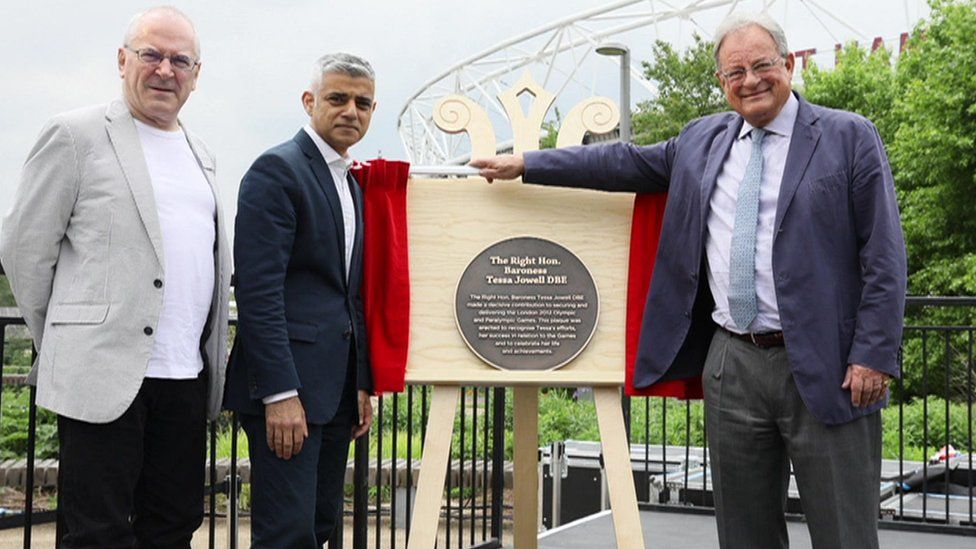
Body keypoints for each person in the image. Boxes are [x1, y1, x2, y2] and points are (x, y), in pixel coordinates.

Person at [472, 12, 906, 549]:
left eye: (762, 65)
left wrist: (874, 354)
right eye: (735, 72)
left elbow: (884, 254)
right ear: (722, 83)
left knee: (845, 534)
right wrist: (527, 164)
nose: (750, 81)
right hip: (732, 363)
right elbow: (619, 163)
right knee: (744, 534)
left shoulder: (848, 137)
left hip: (830, 363)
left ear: (789, 65)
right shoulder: (701, 140)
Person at [0, 6, 230, 548]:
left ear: (197, 75)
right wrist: (66, 337)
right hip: (102, 376)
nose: (165, 70)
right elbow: (25, 250)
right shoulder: (73, 135)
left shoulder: (204, 156)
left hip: (185, 378)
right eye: (151, 54)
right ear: (122, 59)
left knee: (172, 528)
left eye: (180, 60)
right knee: (96, 535)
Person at [224, 52, 376, 547]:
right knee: (286, 536)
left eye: (363, 102)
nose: (351, 110)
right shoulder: (277, 171)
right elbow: (258, 293)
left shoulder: (349, 183)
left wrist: (360, 383)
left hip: (334, 394)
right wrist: (279, 394)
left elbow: (345, 296)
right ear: (309, 101)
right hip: (288, 397)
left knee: (319, 528)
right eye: (338, 98)